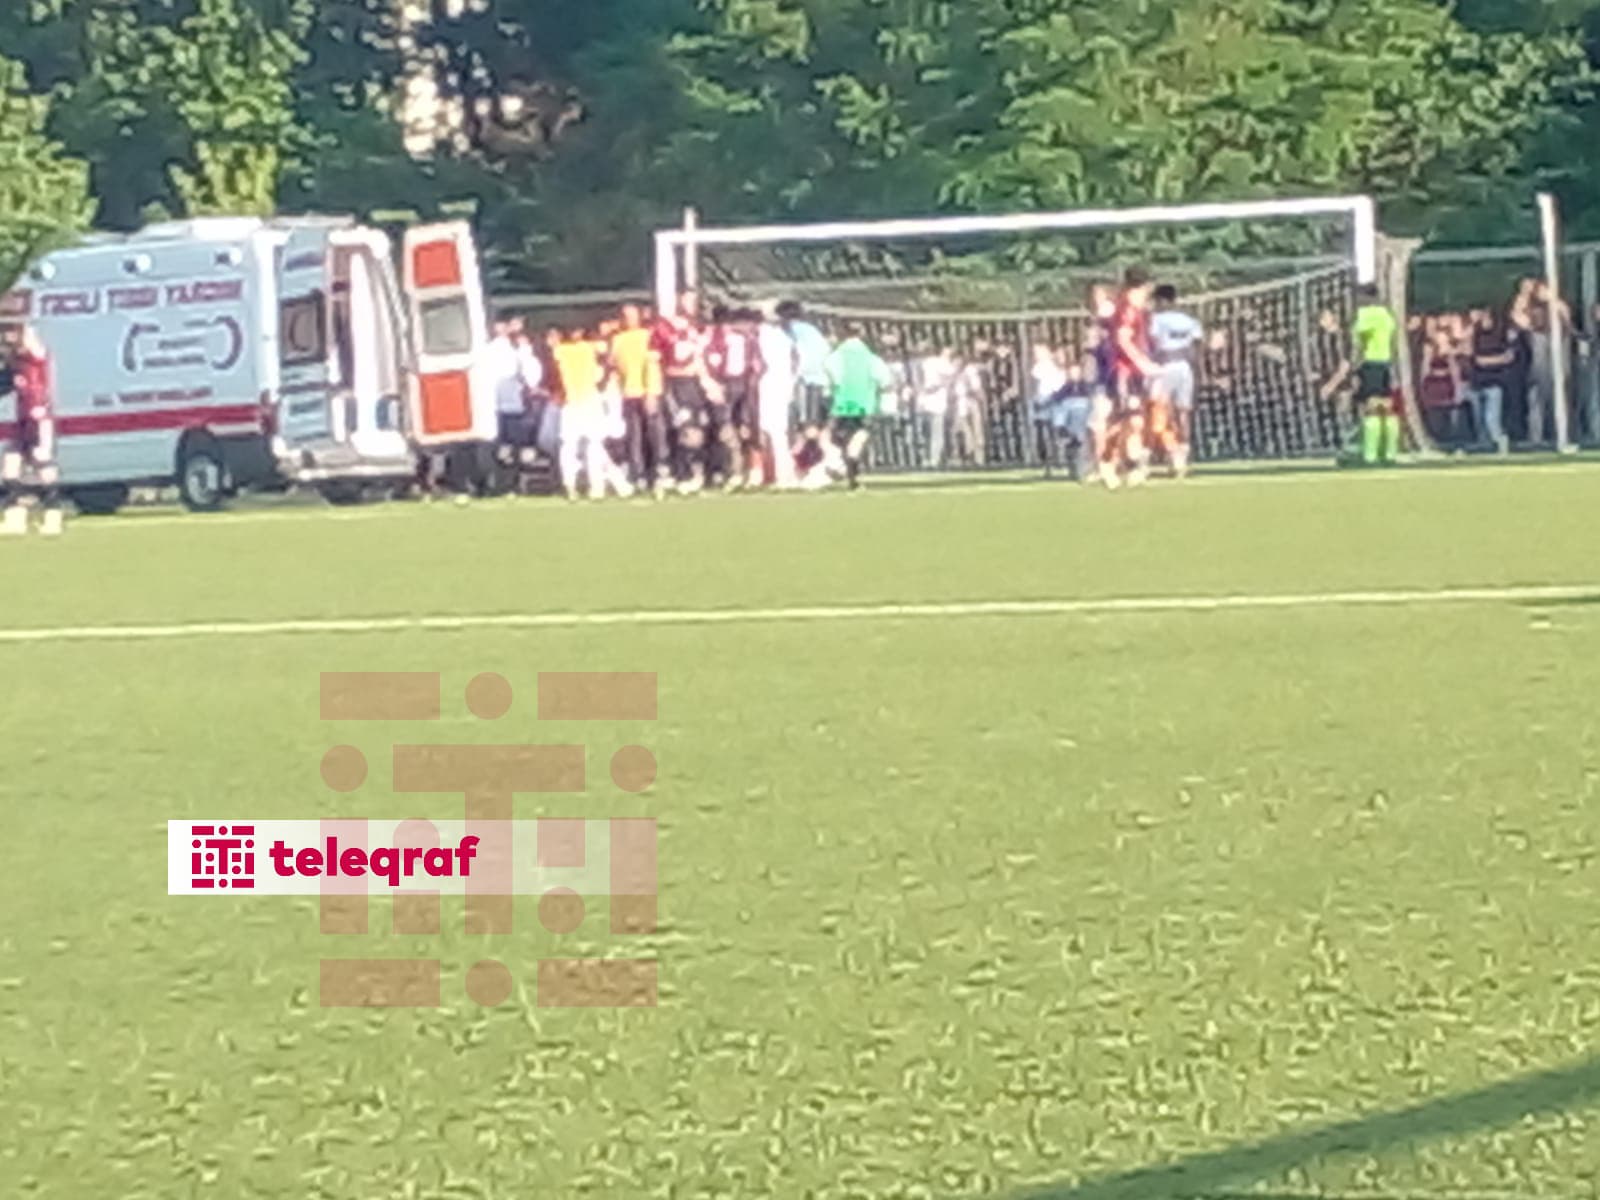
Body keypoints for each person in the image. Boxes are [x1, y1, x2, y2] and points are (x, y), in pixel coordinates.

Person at [2, 324, 62, 536]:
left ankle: (53, 517)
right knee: (10, 465)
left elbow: (30, 336)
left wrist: (22, 327)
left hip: (39, 418)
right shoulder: (14, 363)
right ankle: (15, 518)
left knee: (43, 462)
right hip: (23, 420)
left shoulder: (36, 357)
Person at [651, 291, 712, 494]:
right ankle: (680, 473)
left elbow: (701, 357)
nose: (691, 305)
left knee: (698, 428)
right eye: (687, 300)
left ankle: (694, 473)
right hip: (676, 385)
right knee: (684, 429)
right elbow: (657, 360)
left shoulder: (699, 327)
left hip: (695, 385)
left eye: (694, 301)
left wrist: (707, 381)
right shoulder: (664, 327)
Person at [1106, 267, 1162, 488]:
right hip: (1124, 371)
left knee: (1136, 420)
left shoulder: (1135, 310)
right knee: (1124, 418)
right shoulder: (1128, 309)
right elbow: (1123, 340)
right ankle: (1108, 462)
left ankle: (1131, 465)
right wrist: (1142, 363)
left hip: (1133, 372)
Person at [610, 303, 670, 496]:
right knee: (634, 438)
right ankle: (639, 476)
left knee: (655, 436)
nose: (629, 319)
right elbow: (614, 366)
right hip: (629, 394)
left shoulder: (648, 336)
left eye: (632, 315)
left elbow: (652, 366)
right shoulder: (617, 340)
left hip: (648, 392)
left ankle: (660, 473)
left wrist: (651, 392)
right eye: (626, 316)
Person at [552, 327, 619, 500]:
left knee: (577, 445)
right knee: (583, 444)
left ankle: (583, 486)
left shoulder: (561, 350)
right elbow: (605, 352)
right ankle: (585, 486)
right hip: (582, 401)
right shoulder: (587, 348)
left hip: (579, 401)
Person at [825, 323, 892, 490]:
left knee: (837, 437)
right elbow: (886, 381)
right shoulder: (870, 358)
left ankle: (839, 464)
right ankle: (852, 470)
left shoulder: (836, 356)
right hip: (865, 404)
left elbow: (831, 377)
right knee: (859, 436)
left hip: (842, 403)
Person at [1148, 284, 1203, 477]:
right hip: (1185, 368)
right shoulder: (1189, 321)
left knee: (1160, 410)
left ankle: (1171, 453)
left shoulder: (1156, 320)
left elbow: (1152, 344)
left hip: (1164, 367)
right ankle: (1183, 454)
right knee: (1183, 413)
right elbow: (1196, 346)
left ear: (1162, 301)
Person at [705, 304, 761, 490]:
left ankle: (743, 471)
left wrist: (751, 380)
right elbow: (711, 363)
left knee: (741, 429)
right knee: (726, 430)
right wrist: (715, 384)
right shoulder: (715, 339)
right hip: (727, 385)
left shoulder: (743, 340)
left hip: (740, 385)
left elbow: (756, 364)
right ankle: (734, 470)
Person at [1352, 283, 1401, 466]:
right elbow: (1392, 338)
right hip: (1385, 362)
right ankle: (1390, 454)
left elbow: (1358, 338)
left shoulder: (1365, 314)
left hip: (1371, 363)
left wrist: (1355, 362)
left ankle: (1370, 456)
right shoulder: (1386, 315)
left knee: (1372, 408)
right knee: (1388, 408)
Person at [755, 304, 799, 488]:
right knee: (777, 431)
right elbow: (796, 360)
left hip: (771, 385)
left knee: (774, 431)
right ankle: (780, 473)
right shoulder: (785, 335)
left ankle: (783, 475)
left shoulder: (766, 334)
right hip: (784, 384)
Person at [777, 301, 833, 425]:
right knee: (813, 419)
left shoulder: (791, 330)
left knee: (800, 417)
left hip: (803, 378)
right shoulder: (811, 330)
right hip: (819, 377)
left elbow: (794, 354)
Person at [1466, 307, 1512, 453]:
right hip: (1477, 382)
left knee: (1491, 418)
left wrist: (1488, 360)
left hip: (1495, 382)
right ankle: (1484, 444)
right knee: (1479, 418)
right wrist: (1497, 359)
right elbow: (1474, 358)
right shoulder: (1475, 334)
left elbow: (1508, 357)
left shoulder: (1501, 334)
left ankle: (1501, 441)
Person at [1029, 342, 1068, 477]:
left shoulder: (1052, 366)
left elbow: (1060, 383)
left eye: (1038, 351)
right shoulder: (1038, 367)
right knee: (1045, 435)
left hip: (1053, 400)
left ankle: (1060, 462)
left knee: (1055, 433)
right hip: (1042, 401)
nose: (1035, 354)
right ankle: (1048, 464)